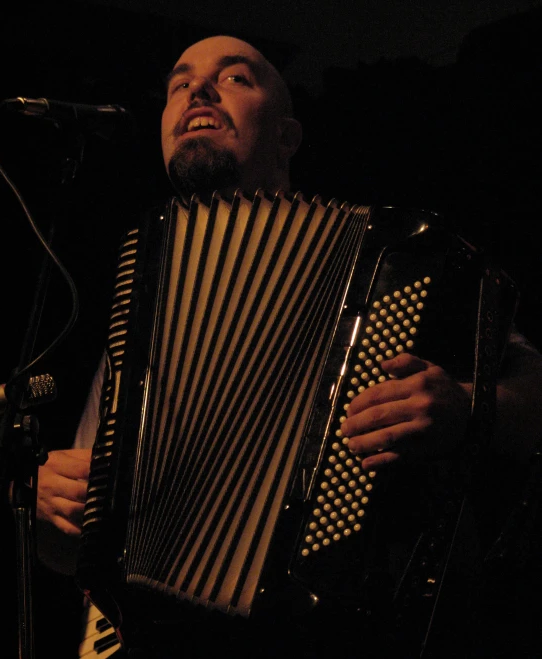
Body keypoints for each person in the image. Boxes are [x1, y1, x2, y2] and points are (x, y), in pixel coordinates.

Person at [36, 36, 542, 656]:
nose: (198, 90)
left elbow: (531, 396)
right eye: (178, 84)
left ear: (288, 137)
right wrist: (53, 515)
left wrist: (467, 407)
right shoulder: (144, 294)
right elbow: (73, 549)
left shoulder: (391, 257)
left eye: (236, 78)